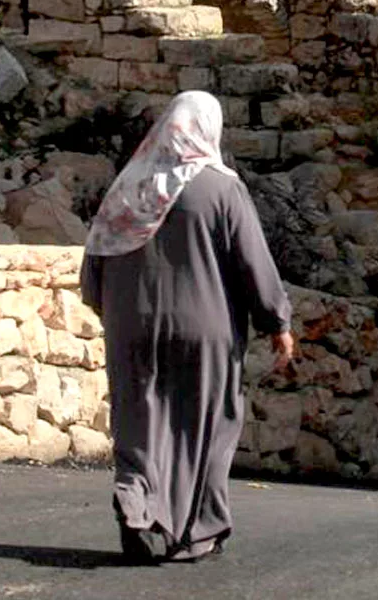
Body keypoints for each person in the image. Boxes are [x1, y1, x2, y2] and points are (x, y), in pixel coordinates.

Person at [80, 91, 295, 565]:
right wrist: (276, 320)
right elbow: (251, 262)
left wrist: (113, 310)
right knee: (209, 425)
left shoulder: (127, 187)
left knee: (139, 420)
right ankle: (198, 530)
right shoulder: (221, 188)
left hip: (131, 327)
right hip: (206, 330)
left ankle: (136, 502)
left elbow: (94, 265)